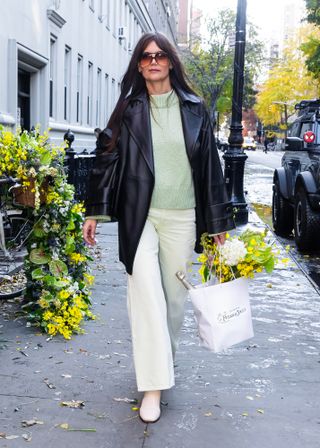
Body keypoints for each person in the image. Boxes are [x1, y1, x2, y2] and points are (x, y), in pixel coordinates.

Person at [83, 32, 234, 423]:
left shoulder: (196, 109)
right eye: (146, 56)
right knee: (146, 295)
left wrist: (217, 223)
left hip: (182, 218)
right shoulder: (128, 109)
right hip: (141, 217)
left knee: (173, 304)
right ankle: (152, 387)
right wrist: (94, 212)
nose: (153, 61)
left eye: (160, 55)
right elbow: (106, 160)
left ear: (170, 62)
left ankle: (162, 364)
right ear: (139, 64)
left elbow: (210, 169)